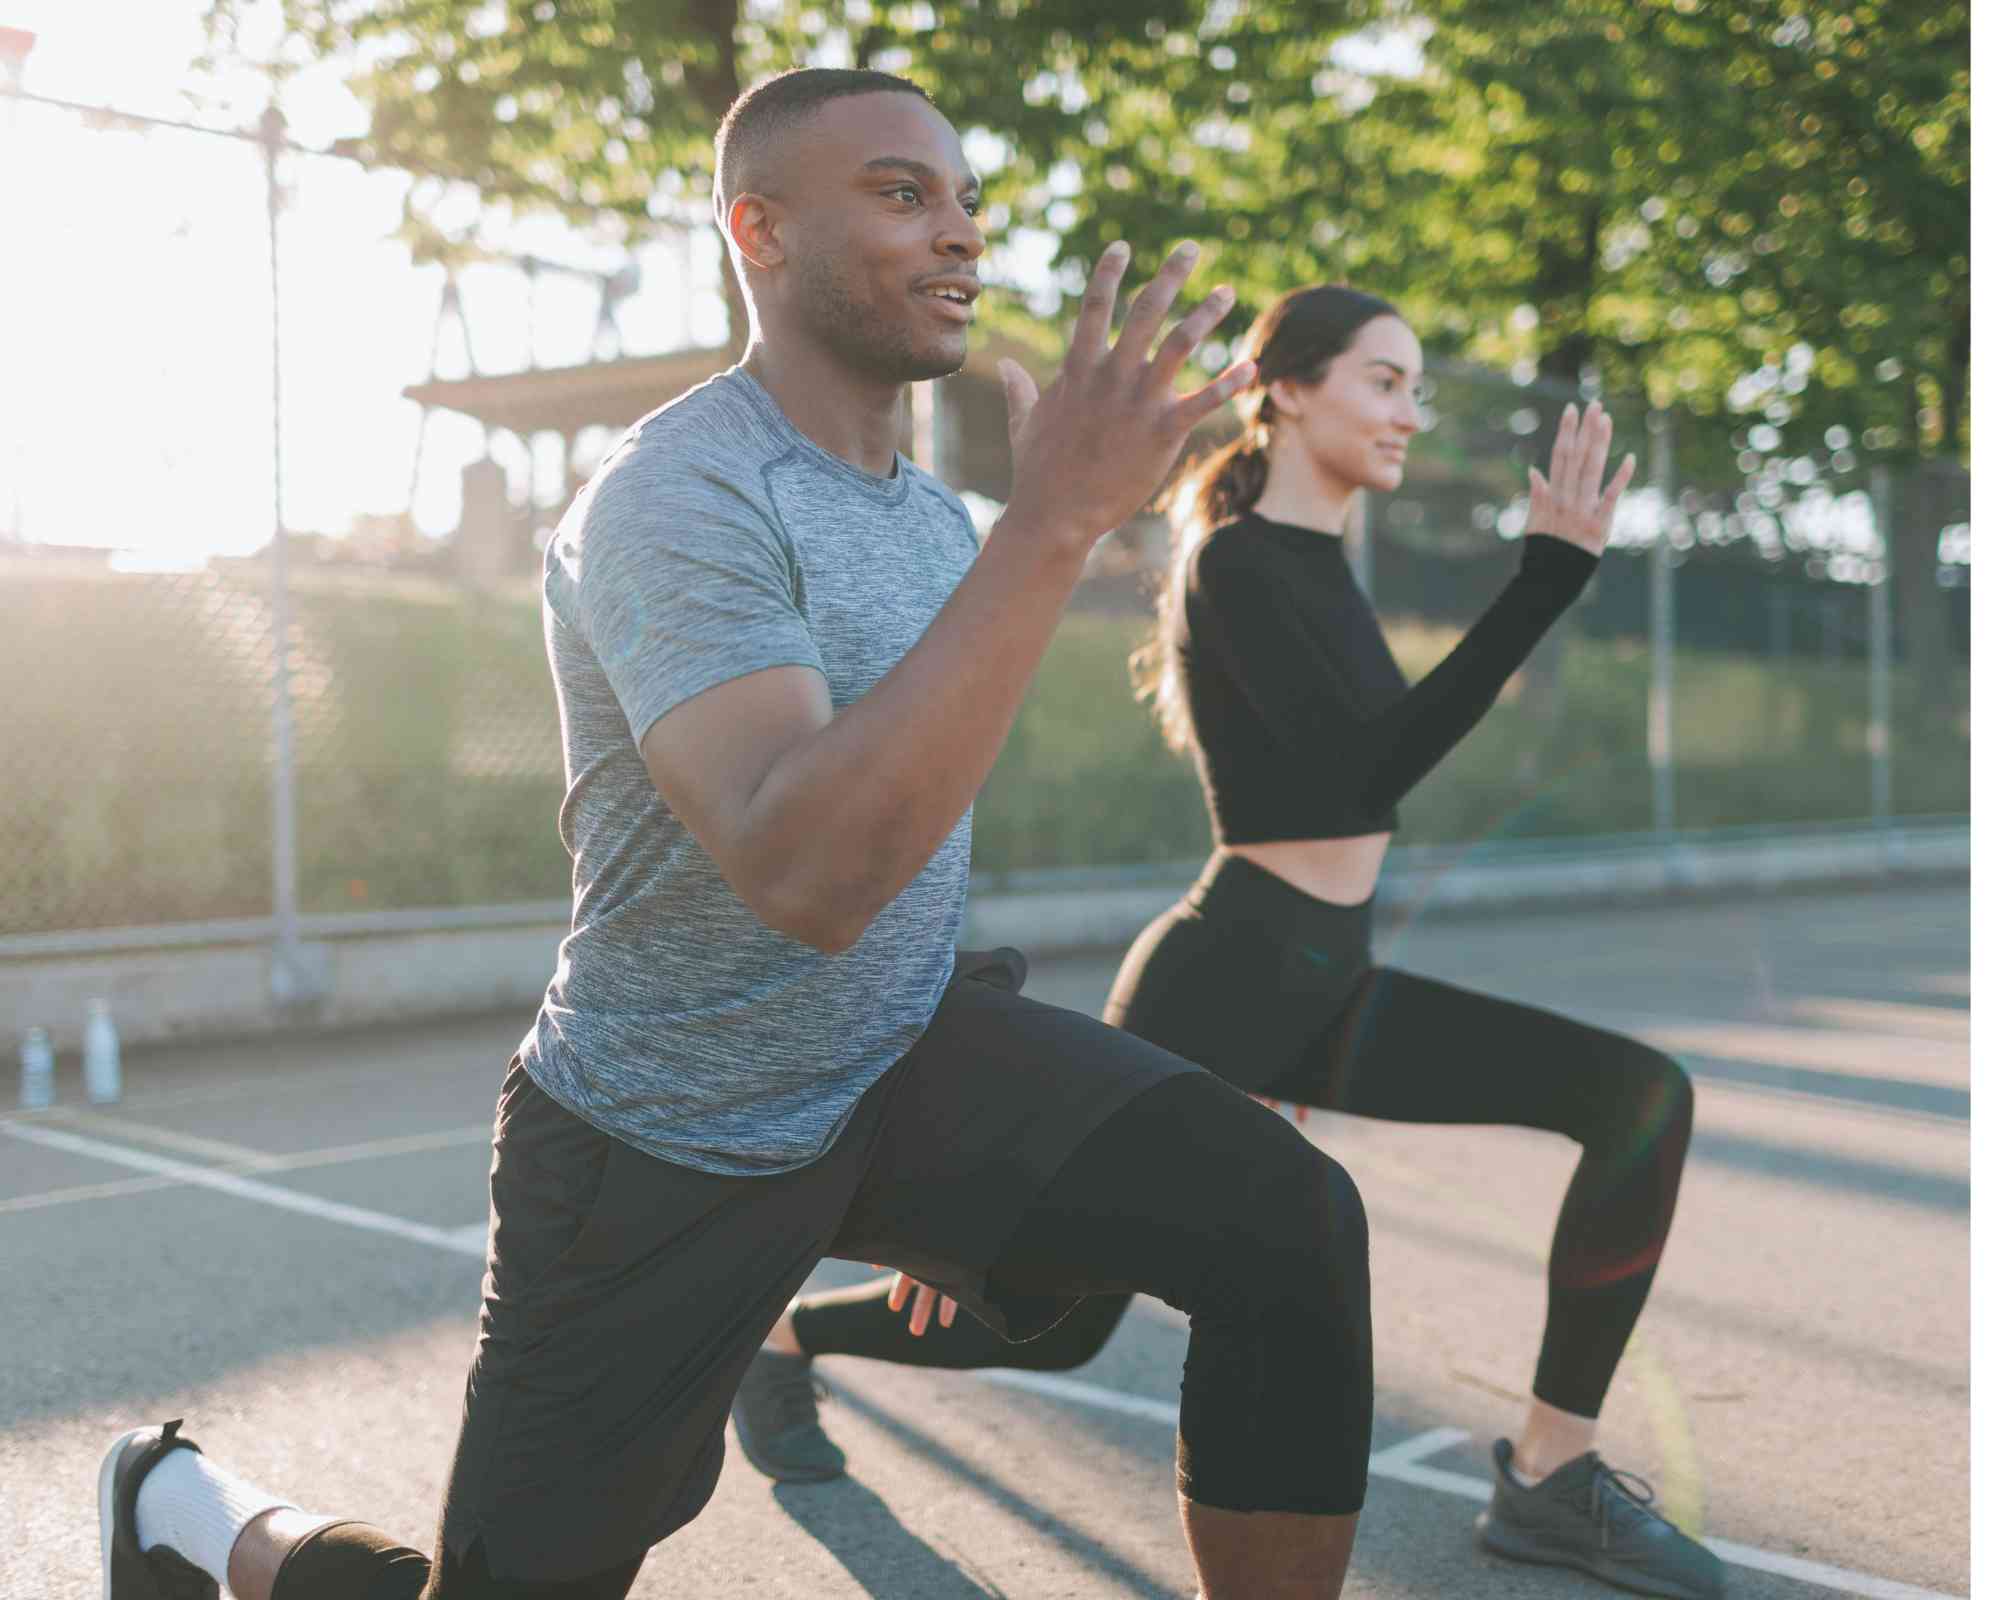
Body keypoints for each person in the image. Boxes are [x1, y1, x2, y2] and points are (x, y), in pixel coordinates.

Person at [98, 69, 1380, 1600]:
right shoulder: (674, 495)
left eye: (967, 200)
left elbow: (911, 830)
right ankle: (189, 1510)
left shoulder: (923, 520)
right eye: (904, 194)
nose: (959, 233)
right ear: (757, 228)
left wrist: (962, 1168)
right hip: (662, 1137)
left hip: (896, 1068)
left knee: (1288, 1225)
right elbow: (805, 873)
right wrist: (1054, 527)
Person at [743, 286, 1726, 1600]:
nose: (1409, 412)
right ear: (1292, 388)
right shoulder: (1238, 564)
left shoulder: (1322, 571)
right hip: (1225, 982)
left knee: (1639, 1099)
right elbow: (1363, 776)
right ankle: (788, 1342)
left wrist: (1541, 584)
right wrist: (1543, 582)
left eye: (1415, 385)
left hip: (1334, 982)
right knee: (1049, 1325)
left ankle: (1550, 1476)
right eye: (1384, 380)